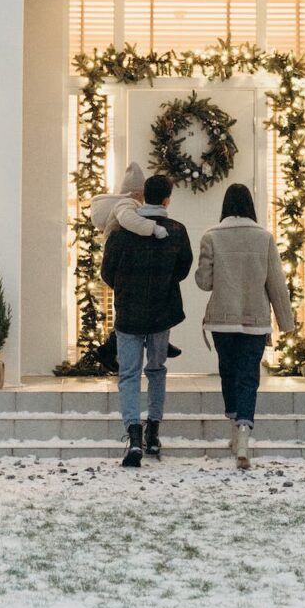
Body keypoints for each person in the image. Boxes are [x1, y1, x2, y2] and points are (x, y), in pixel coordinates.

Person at [194, 182, 294, 470]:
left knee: (228, 372)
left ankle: (233, 428)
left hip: (221, 321)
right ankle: (243, 436)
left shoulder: (211, 237)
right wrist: (285, 322)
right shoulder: (264, 238)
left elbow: (204, 282)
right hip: (255, 319)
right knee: (249, 376)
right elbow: (276, 283)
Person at [100, 171, 193, 467]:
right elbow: (183, 269)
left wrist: (127, 288)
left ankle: (133, 435)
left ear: (142, 196)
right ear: (167, 199)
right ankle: (153, 431)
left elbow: (107, 273)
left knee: (128, 375)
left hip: (128, 314)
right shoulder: (177, 231)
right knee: (156, 370)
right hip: (161, 315)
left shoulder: (120, 232)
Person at [90, 162, 182, 364]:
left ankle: (111, 347)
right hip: (125, 262)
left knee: (131, 318)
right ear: (138, 193)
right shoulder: (127, 207)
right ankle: (111, 347)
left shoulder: (126, 207)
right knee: (139, 320)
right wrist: (154, 228)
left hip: (123, 272)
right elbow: (132, 222)